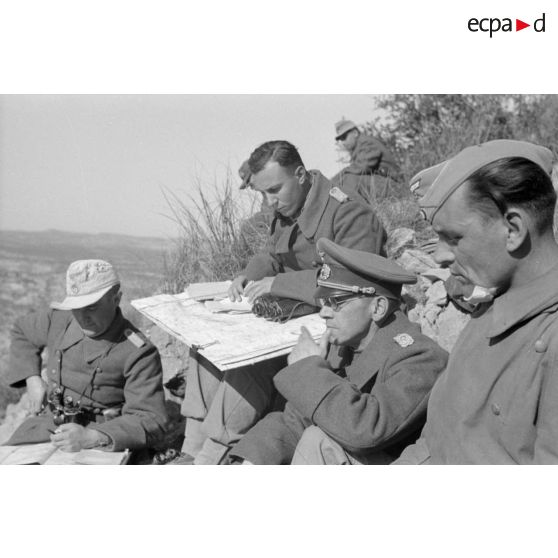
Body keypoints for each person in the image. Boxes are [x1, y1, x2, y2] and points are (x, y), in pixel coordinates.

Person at [181, 140, 387, 464]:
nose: (269, 202)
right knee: (203, 347)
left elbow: (349, 282)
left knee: (248, 363)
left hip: (341, 326)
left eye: (275, 190)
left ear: (301, 174)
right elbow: (273, 254)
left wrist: (278, 283)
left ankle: (210, 458)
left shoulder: (350, 214)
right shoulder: (290, 206)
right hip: (297, 316)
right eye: (263, 193)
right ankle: (190, 447)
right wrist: (249, 275)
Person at [395, 139, 558, 464]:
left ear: (512, 229)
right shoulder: (490, 297)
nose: (439, 255)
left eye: (454, 238)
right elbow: (437, 439)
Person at [229, 237, 448, 464]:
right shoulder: (347, 346)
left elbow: (365, 430)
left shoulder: (421, 359)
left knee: (317, 439)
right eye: (323, 302)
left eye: (336, 302)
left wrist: (308, 372)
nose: (324, 313)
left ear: (378, 307)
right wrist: (251, 460)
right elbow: (298, 418)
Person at [5, 259, 168, 455]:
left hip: (102, 435)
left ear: (116, 299)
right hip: (48, 425)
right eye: (76, 306)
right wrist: (32, 379)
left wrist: (93, 437)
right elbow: (22, 330)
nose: (82, 317)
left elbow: (152, 419)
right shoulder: (59, 319)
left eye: (91, 307)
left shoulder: (138, 351)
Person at [331, 118, 400, 204]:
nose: (343, 142)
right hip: (384, 186)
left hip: (393, 187)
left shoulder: (366, 143)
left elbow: (363, 167)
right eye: (341, 139)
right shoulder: (359, 146)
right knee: (343, 181)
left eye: (344, 137)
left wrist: (341, 174)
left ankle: (352, 208)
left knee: (349, 178)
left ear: (355, 133)